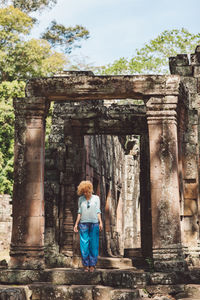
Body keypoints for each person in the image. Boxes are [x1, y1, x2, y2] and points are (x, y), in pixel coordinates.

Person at [74, 180, 103, 272]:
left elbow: (98, 211)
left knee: (94, 245)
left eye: (87, 191)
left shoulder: (96, 198)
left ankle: (92, 265)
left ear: (90, 190)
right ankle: (85, 265)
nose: (86, 193)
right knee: (84, 245)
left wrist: (100, 222)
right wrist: (76, 224)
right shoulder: (81, 199)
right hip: (83, 224)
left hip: (94, 223)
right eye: (84, 192)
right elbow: (79, 212)